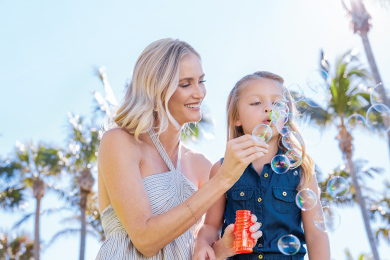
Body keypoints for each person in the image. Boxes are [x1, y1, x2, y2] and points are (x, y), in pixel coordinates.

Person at [95, 39, 265, 260]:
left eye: (201, 81)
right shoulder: (120, 143)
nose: (199, 93)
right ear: (157, 89)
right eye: (186, 84)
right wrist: (223, 179)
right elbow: (145, 240)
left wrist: (222, 249)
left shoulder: (201, 165)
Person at [193, 71, 331, 260]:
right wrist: (202, 243)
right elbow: (211, 225)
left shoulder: (300, 170)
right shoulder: (221, 170)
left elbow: (316, 235)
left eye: (277, 104)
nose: (268, 109)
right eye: (256, 103)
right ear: (237, 118)